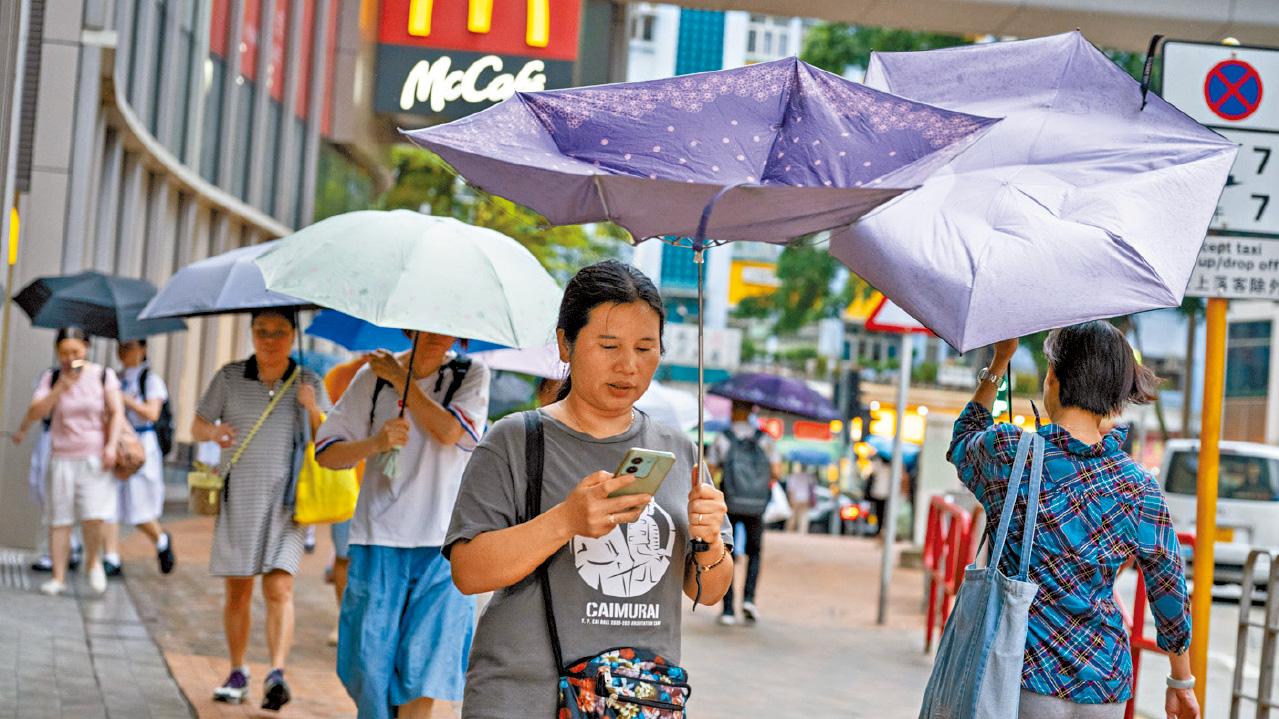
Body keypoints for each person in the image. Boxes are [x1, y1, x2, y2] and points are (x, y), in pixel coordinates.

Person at [445, 260, 733, 719]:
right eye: (608, 345)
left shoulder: (678, 450)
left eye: (645, 347)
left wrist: (711, 539)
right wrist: (565, 520)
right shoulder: (514, 441)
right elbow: (468, 571)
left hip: (637, 700)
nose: (628, 365)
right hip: (522, 699)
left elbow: (710, 590)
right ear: (566, 342)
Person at [949, 322, 1198, 719]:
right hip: (1105, 682)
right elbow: (1168, 590)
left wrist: (1000, 362)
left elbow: (963, 440)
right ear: (1116, 398)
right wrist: (1180, 682)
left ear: (1053, 378)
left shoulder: (1010, 453)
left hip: (1023, 670)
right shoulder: (1138, 487)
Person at [316, 332, 489, 719]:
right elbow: (326, 452)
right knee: (369, 668)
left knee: (423, 671)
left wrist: (403, 382)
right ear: (410, 326)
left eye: (445, 325)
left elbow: (450, 432)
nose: (435, 334)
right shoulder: (371, 376)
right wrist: (374, 444)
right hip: (378, 538)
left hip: (444, 546)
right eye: (426, 323)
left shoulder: (470, 373)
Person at [190, 310, 329, 711]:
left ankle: (277, 673)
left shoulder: (309, 382)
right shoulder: (230, 376)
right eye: (262, 331)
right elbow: (198, 425)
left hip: (288, 503)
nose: (270, 340)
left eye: (280, 332)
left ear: (292, 336)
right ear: (251, 333)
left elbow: (329, 440)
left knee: (279, 586)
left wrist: (312, 409)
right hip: (240, 497)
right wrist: (214, 432)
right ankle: (237, 671)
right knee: (238, 590)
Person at [12, 327, 124, 597]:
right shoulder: (51, 378)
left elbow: (117, 412)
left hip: (95, 458)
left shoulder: (102, 376)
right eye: (64, 352)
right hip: (61, 457)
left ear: (86, 348)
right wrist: (60, 387)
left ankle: (93, 561)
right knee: (59, 518)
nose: (70, 357)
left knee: (92, 517)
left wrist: (110, 446)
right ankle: (58, 577)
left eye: (75, 351)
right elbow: (36, 411)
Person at [101, 339, 176, 576]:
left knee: (138, 505)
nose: (124, 351)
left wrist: (124, 399)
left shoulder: (150, 380)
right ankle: (111, 556)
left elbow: (152, 413)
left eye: (130, 346)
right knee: (109, 501)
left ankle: (161, 539)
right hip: (118, 441)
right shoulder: (113, 377)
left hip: (141, 445)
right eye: (121, 346)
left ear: (143, 349)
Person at [708, 400, 780, 626]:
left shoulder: (723, 438)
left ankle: (728, 609)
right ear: (751, 412)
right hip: (756, 505)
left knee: (725, 552)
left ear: (733, 411)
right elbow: (776, 471)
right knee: (755, 552)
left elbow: (709, 470)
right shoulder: (765, 439)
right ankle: (749, 600)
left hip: (729, 503)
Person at [320, 353, 372, 647]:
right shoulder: (340, 375)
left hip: (383, 486)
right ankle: (344, 619)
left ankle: (363, 622)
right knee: (343, 556)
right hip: (346, 483)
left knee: (370, 559)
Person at [784, 466, 816, 534]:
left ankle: (788, 533)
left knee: (792, 517)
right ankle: (802, 534)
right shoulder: (809, 477)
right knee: (803, 518)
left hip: (795, 499)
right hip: (805, 499)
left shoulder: (793, 476)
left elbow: (790, 490)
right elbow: (812, 489)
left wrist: (790, 500)